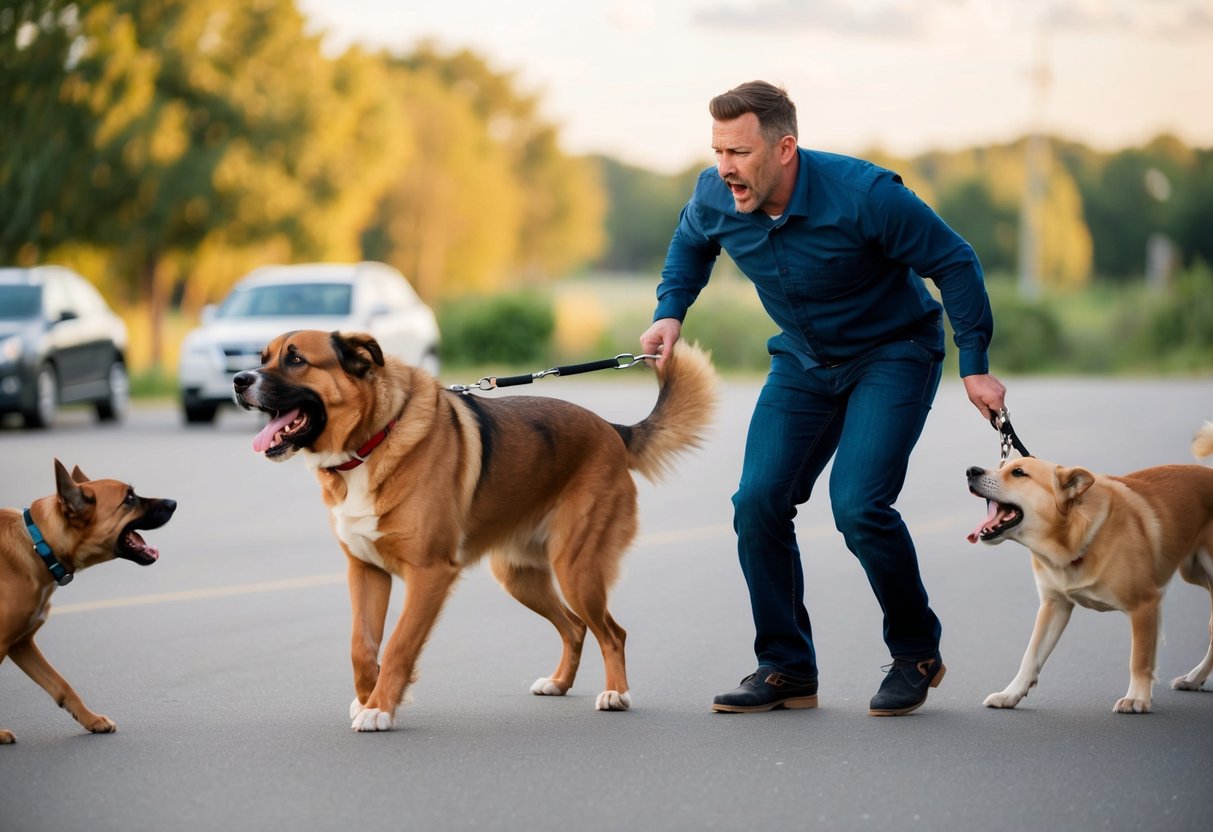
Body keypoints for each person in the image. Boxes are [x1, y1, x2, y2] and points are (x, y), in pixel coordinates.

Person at [641, 80, 1007, 716]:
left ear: (785, 149)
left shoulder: (864, 196)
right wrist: (669, 312)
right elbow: (691, 244)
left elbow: (953, 259)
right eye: (717, 150)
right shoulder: (715, 194)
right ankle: (786, 668)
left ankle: (917, 652)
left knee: (859, 504)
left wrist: (974, 363)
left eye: (740, 152)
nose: (725, 168)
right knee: (757, 501)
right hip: (805, 363)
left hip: (893, 354)